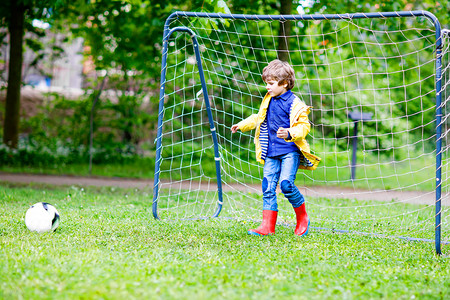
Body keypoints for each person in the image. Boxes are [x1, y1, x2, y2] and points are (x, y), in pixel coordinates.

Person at [231, 59, 321, 236]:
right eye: (266, 83)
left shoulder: (296, 104)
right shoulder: (268, 100)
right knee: (268, 186)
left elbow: (304, 127)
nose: (267, 87)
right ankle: (267, 226)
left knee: (286, 184)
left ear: (285, 83)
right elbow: (258, 117)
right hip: (271, 153)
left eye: (271, 84)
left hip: (289, 152)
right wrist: (242, 125)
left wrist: (289, 132)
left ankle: (302, 218)